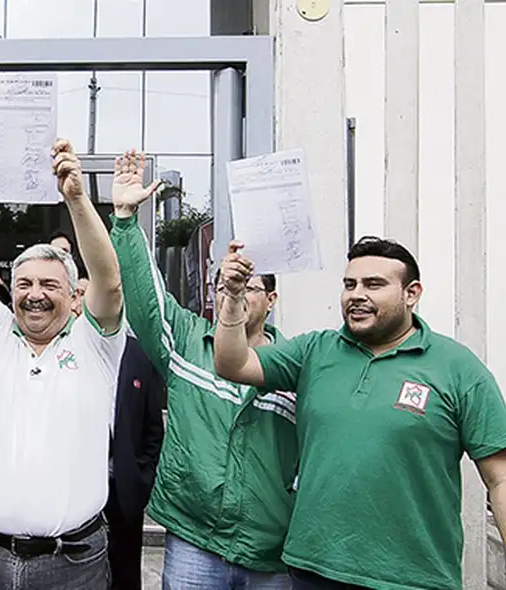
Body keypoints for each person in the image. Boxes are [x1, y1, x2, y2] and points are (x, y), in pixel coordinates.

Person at [213, 236, 506, 589]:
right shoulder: (316, 351)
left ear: (411, 293)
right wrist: (232, 298)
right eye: (349, 284)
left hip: (412, 578)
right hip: (314, 571)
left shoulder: (458, 368)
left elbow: (500, 478)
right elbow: (234, 363)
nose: (356, 295)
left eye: (374, 284)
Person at [0, 130, 126, 590]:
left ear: (72, 294)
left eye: (49, 284)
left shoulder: (96, 342)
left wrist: (78, 199)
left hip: (73, 564)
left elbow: (108, 276)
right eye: (24, 283)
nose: (35, 294)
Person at [109, 150, 296, 589]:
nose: (235, 292)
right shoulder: (189, 340)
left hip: (271, 549)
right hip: (195, 540)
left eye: (249, 286)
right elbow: (145, 295)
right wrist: (124, 219)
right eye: (226, 284)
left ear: (272, 299)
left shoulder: (295, 365)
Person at [105, 335, 165, 590]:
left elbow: (153, 428)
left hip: (124, 488)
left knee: (125, 572)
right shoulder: (70, 348)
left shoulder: (140, 353)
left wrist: (143, 477)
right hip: (76, 487)